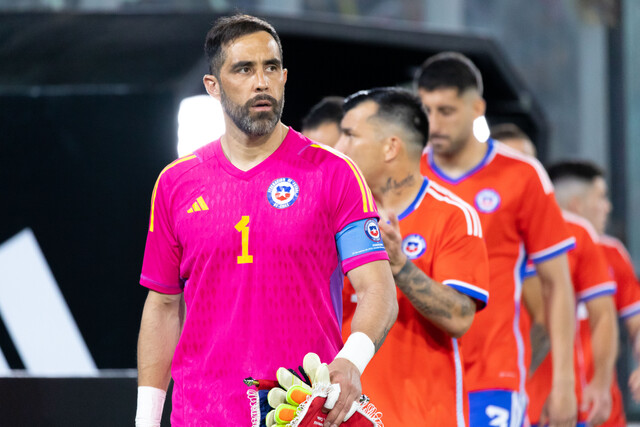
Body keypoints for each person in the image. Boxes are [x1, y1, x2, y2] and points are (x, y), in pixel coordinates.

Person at [135, 14, 398, 426]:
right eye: (244, 69)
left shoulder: (334, 173)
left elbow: (378, 288)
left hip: (300, 411)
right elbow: (163, 306)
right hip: (202, 414)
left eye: (271, 68)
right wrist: (145, 420)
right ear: (213, 87)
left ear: (284, 76)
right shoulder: (176, 183)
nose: (261, 82)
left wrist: (351, 359)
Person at [415, 52, 577, 427]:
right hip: (423, 375)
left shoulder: (522, 176)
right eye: (426, 110)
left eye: (446, 110)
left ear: (476, 107)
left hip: (493, 374)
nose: (433, 124)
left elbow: (558, 285)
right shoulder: (411, 173)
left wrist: (565, 379)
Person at [336, 87, 490, 425]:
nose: (338, 148)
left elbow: (460, 317)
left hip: (422, 416)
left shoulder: (452, 215)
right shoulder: (332, 217)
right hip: (342, 414)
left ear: (391, 146)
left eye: (349, 135)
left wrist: (401, 267)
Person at [548, 161, 640, 426]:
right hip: (542, 405)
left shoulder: (613, 253)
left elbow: (636, 322)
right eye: (601, 197)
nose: (608, 207)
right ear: (577, 205)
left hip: (600, 410)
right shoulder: (527, 252)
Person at [525, 165, 618, 426]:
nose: (607, 207)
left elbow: (604, 314)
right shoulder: (476, 221)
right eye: (600, 197)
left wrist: (600, 384)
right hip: (484, 388)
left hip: (557, 401)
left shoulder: (578, 235)